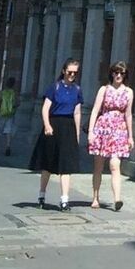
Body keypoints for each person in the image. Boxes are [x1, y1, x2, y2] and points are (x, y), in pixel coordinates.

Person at [30, 58, 82, 210]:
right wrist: (47, 125)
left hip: (68, 126)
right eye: (70, 72)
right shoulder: (55, 88)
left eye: (75, 73)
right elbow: (45, 108)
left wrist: (77, 132)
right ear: (64, 71)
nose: (72, 75)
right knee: (48, 164)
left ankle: (64, 199)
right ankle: (42, 193)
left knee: (66, 166)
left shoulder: (77, 90)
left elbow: (77, 112)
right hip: (54, 125)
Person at [86, 61, 135, 211]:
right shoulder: (104, 89)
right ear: (112, 74)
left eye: (121, 73)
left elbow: (128, 115)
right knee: (99, 165)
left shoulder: (129, 92)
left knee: (115, 165)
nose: (118, 75)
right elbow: (95, 110)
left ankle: (117, 198)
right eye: (116, 72)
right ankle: (95, 197)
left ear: (125, 75)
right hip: (103, 129)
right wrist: (91, 131)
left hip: (119, 130)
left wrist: (130, 136)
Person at [0, 76, 19, 156]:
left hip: (1, 114)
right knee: (8, 131)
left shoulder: (2, 92)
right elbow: (18, 103)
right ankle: (8, 146)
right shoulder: (14, 93)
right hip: (10, 114)